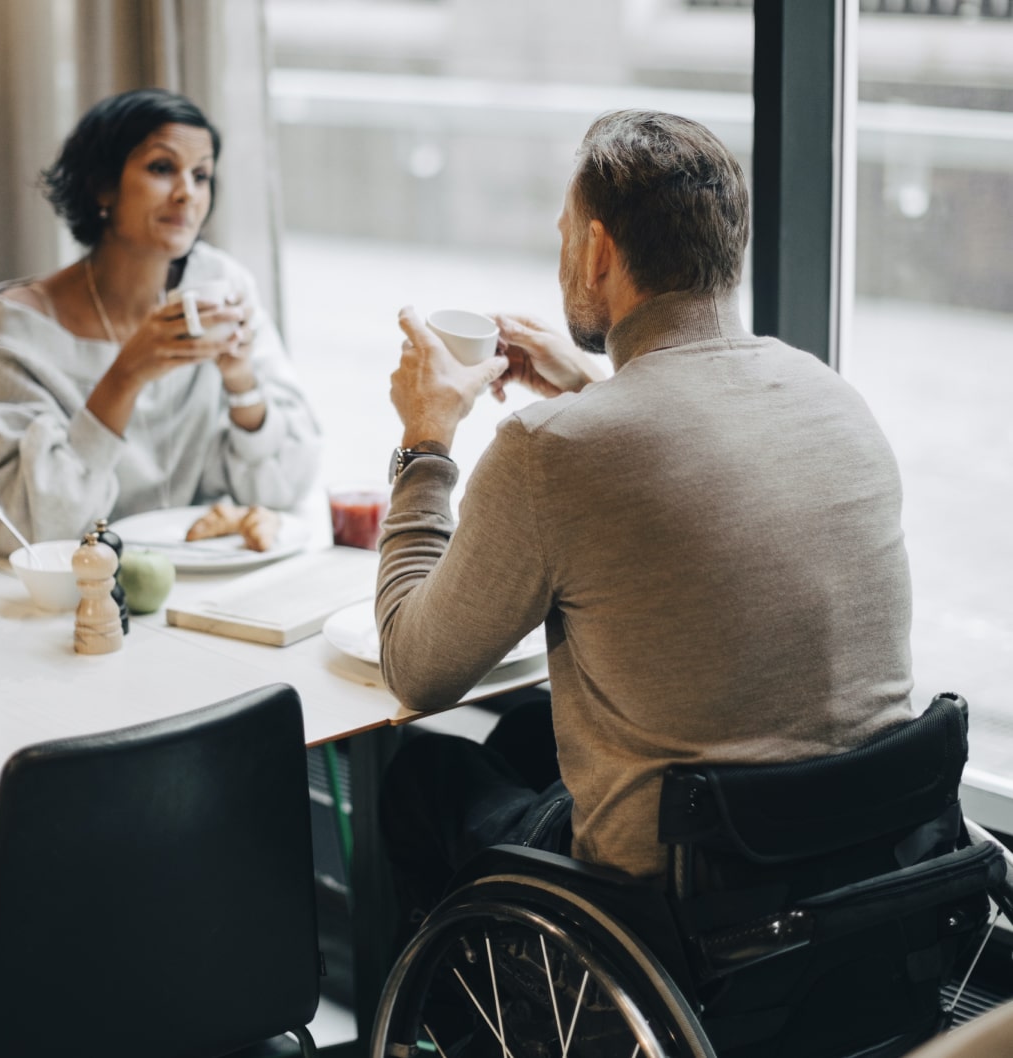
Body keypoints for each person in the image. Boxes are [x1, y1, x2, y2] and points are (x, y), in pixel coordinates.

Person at [376, 110, 915, 929]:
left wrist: (425, 443)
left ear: (597, 250)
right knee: (528, 730)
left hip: (682, 906)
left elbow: (417, 670)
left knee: (423, 777)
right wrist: (594, 385)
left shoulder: (548, 452)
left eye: (564, 235)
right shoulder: (829, 394)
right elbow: (700, 458)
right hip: (863, 869)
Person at [0, 88, 320, 560]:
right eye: (162, 168)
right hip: (26, 594)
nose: (188, 192)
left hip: (171, 583)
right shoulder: (20, 332)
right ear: (102, 185)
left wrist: (241, 382)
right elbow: (27, 530)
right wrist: (126, 375)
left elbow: (287, 485)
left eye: (202, 174)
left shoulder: (219, 287)